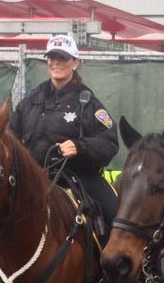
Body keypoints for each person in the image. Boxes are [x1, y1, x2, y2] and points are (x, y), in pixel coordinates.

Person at [9, 34, 118, 236]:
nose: (56, 63)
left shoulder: (88, 103)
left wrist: (80, 146)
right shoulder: (31, 99)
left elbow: (110, 142)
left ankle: (119, 265)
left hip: (77, 177)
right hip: (33, 177)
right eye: (52, 58)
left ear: (74, 63)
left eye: (63, 58)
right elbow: (9, 135)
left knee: (115, 212)